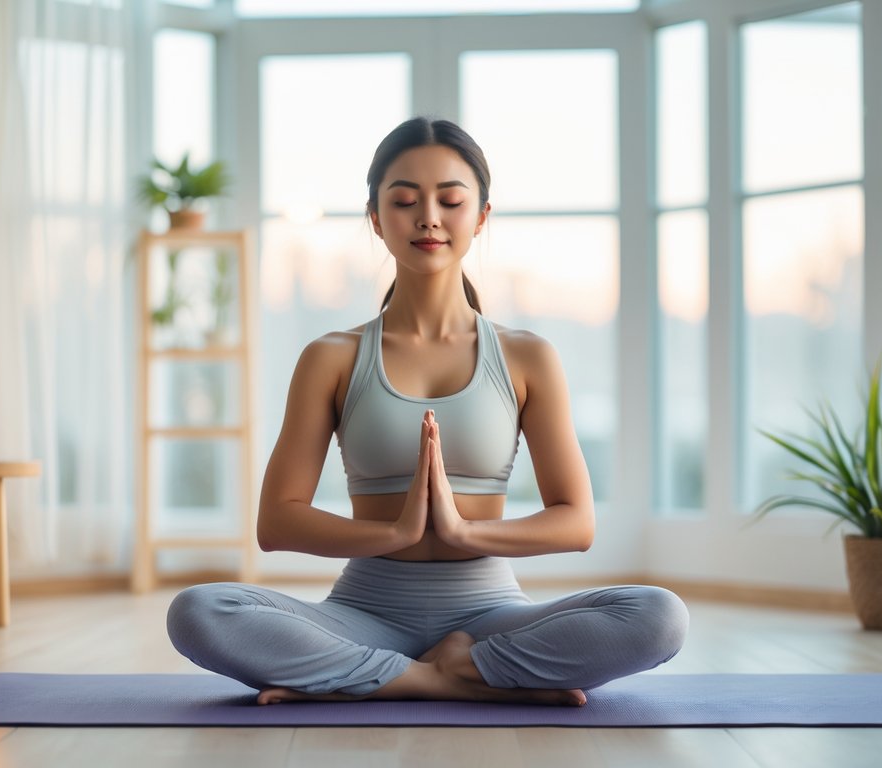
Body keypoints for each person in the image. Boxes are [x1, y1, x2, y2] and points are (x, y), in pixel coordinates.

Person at [168, 117, 688, 706]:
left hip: (489, 614)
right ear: (376, 218)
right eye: (405, 200)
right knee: (199, 610)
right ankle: (454, 677)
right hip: (364, 611)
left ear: (482, 216)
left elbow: (576, 521)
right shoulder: (331, 358)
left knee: (659, 615)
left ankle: (374, 675)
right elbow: (277, 522)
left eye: (451, 199)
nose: (429, 218)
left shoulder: (526, 356)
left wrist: (465, 531)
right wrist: (394, 532)